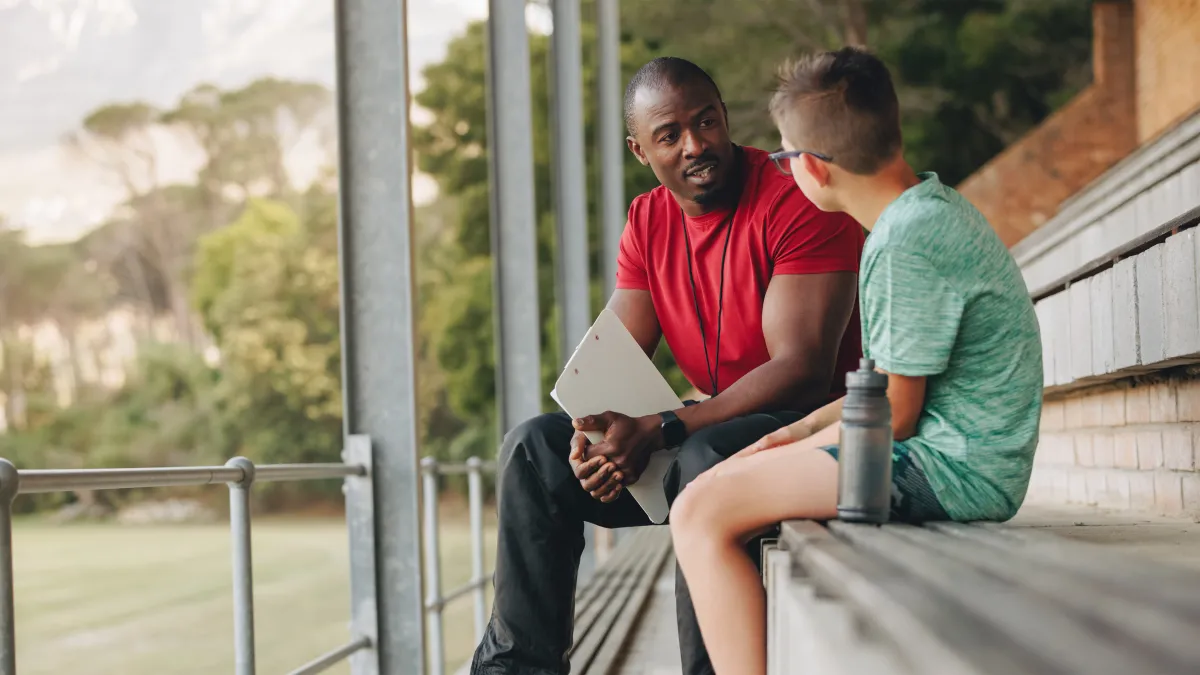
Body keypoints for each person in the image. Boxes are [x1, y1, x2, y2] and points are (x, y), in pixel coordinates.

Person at [470, 57, 865, 675]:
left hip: (817, 433)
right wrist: (591, 439)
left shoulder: (796, 196)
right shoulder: (647, 220)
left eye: (706, 121)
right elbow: (611, 368)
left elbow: (803, 370)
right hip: (709, 428)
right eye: (670, 134)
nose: (696, 144)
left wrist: (663, 426)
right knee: (532, 452)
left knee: (710, 464)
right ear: (640, 150)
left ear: (725, 117)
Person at [669, 46, 1045, 675]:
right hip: (949, 456)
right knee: (715, 485)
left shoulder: (905, 243)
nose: (785, 172)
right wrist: (785, 438)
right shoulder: (923, 210)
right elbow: (883, 393)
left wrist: (771, 458)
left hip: (953, 470)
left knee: (699, 512)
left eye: (787, 158)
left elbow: (894, 417)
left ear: (813, 168)